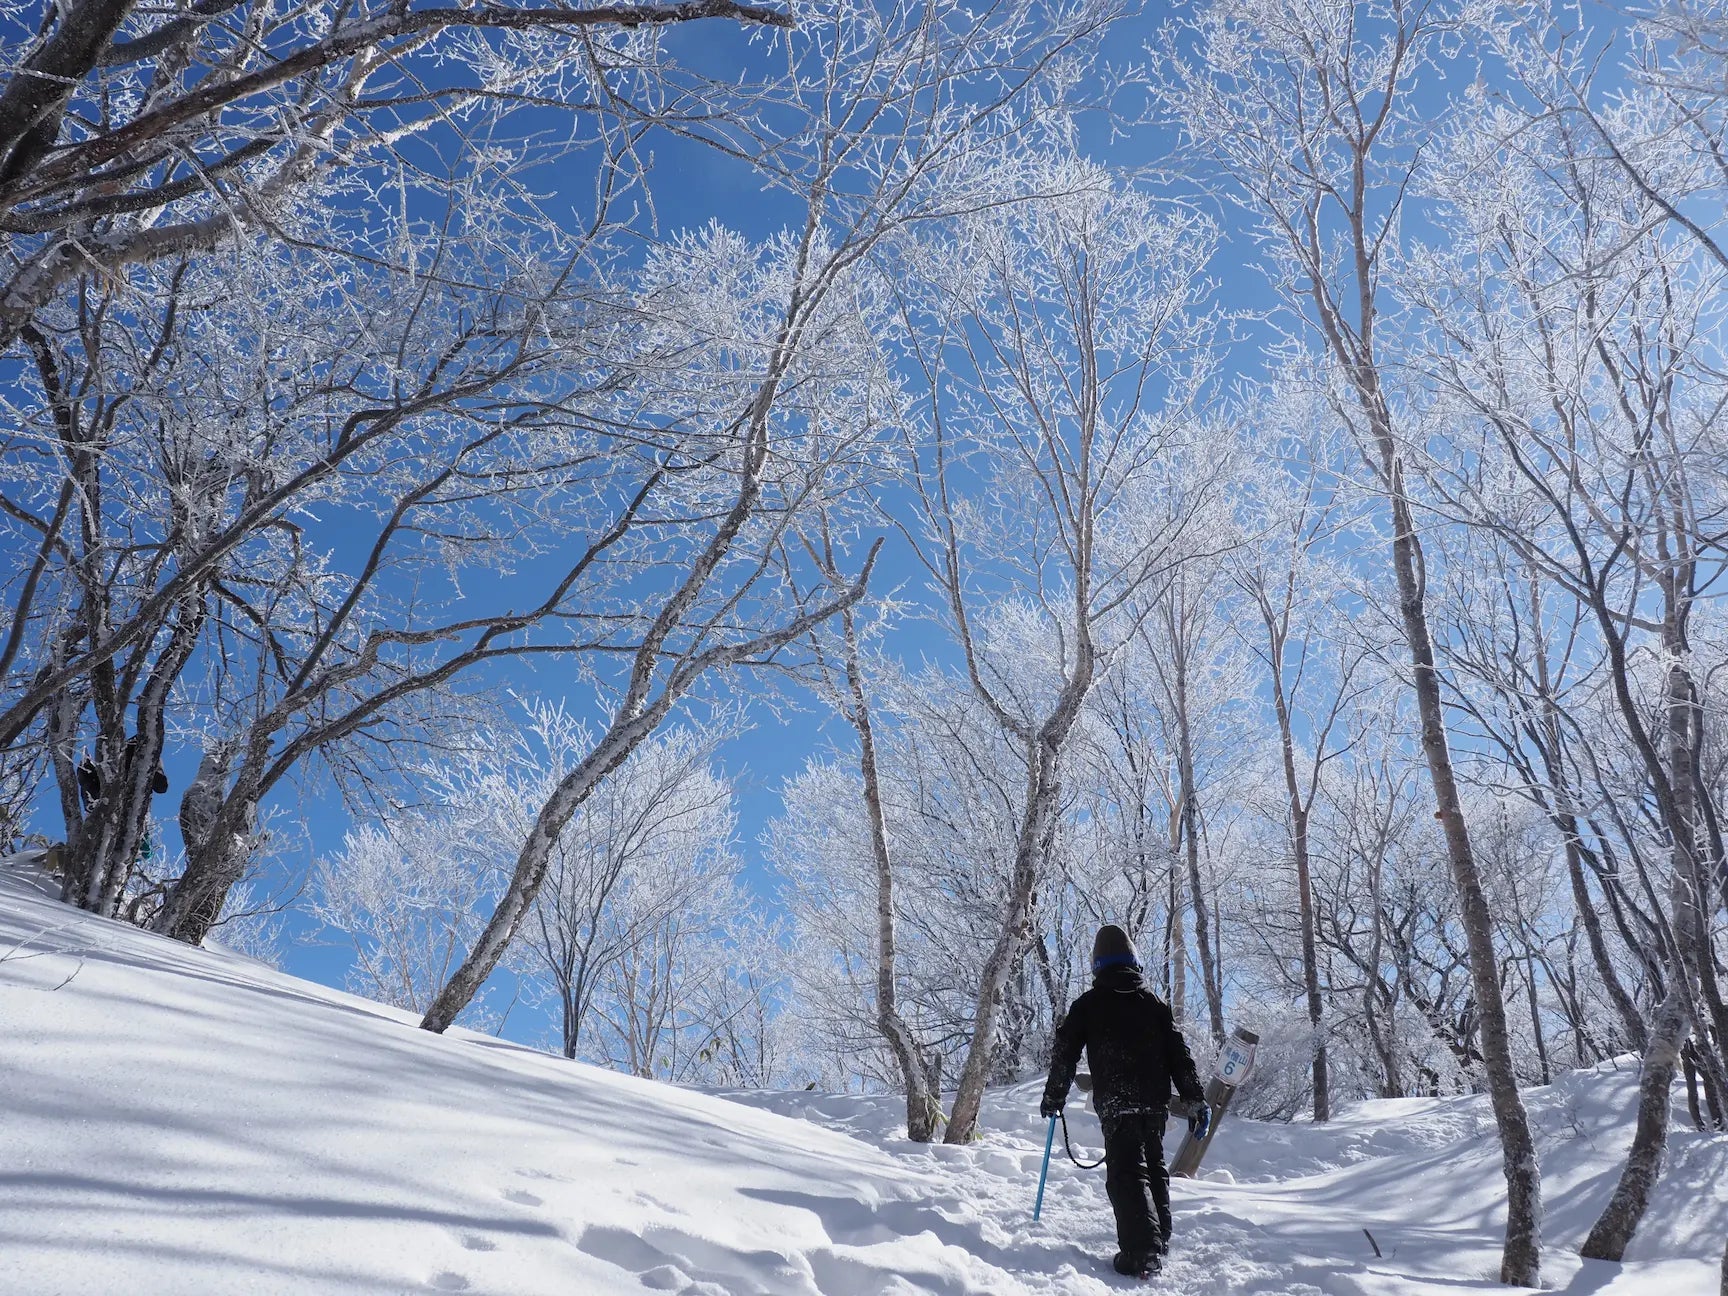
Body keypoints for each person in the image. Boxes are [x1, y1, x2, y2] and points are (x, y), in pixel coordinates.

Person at [1040, 924, 1209, 1279]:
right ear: (1134, 961)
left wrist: (1055, 1095)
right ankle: (1159, 1238)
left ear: (1097, 964)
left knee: (1126, 1173)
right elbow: (1181, 1055)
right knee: (1154, 1165)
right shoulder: (1154, 1005)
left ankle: (1141, 1252)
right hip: (1154, 1105)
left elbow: (1065, 1054)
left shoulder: (1088, 1005)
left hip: (1117, 1103)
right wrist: (1194, 1099)